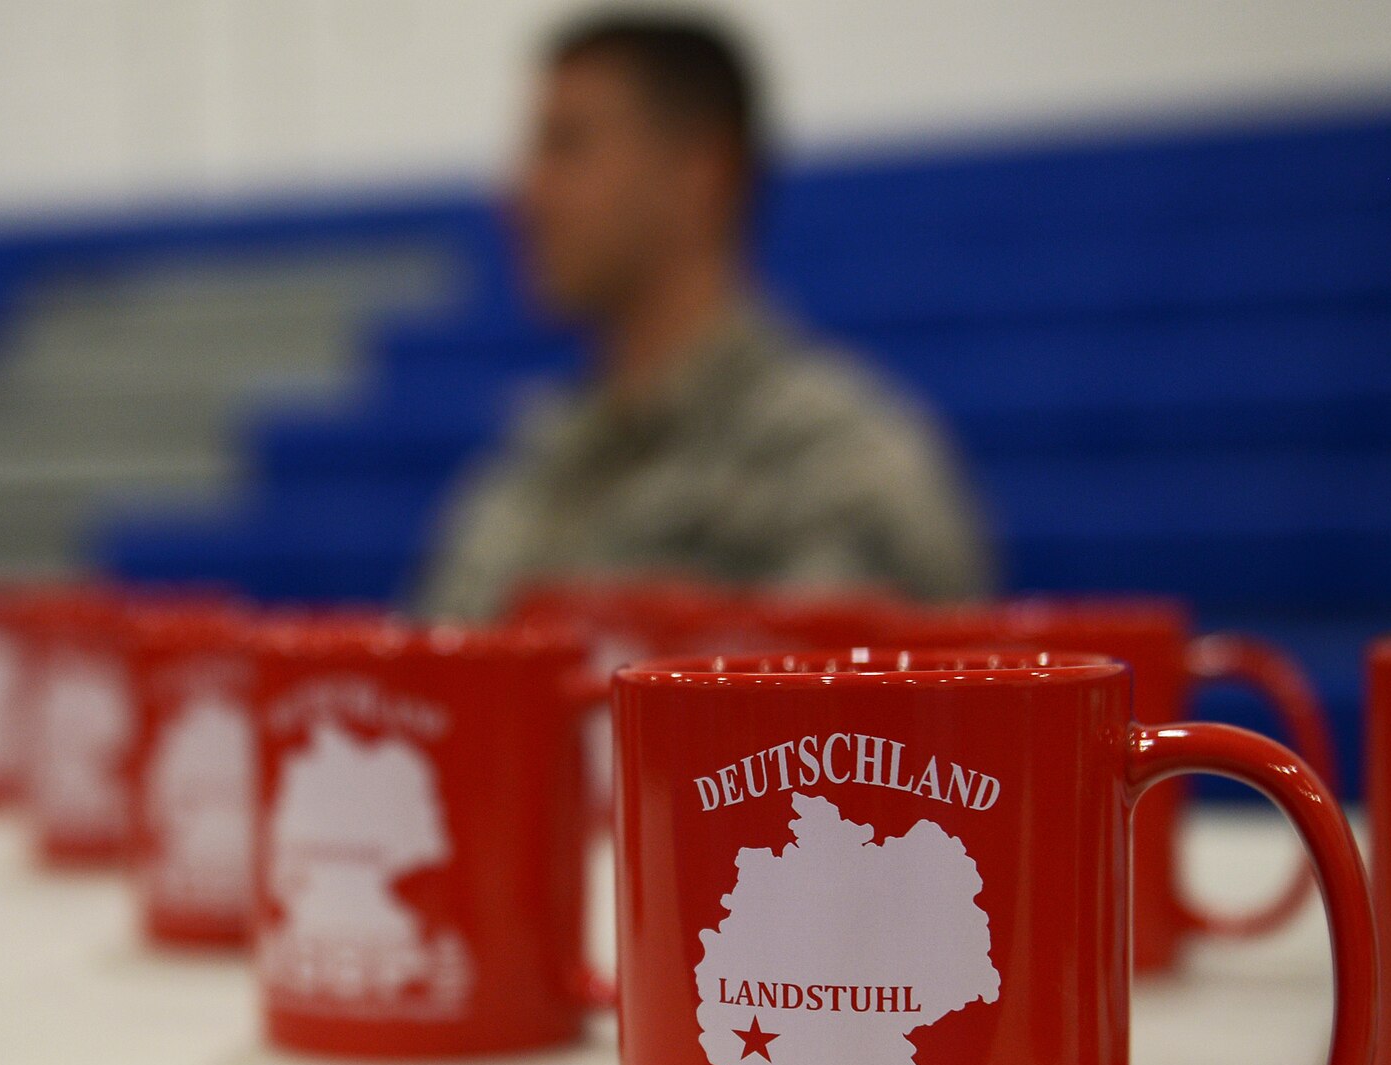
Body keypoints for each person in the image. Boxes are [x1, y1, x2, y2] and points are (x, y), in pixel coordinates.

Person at [418, 12, 993, 621]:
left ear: (700, 170)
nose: (523, 192)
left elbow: (847, 709)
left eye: (568, 145)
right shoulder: (536, 458)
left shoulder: (840, 465)